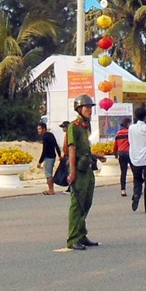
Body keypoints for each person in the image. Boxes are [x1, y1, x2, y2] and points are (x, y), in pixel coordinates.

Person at [64, 95, 102, 250]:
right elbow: (71, 150)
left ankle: (81, 234)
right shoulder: (74, 126)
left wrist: (96, 156)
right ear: (79, 109)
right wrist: (72, 172)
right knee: (77, 204)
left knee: (87, 202)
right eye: (87, 107)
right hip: (78, 170)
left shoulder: (86, 126)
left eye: (91, 107)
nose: (90, 110)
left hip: (87, 168)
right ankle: (73, 238)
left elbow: (85, 148)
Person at [37, 123, 60, 195]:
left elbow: (45, 150)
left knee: (48, 174)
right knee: (49, 173)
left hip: (48, 157)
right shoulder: (51, 135)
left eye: (40, 129)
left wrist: (40, 161)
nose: (39, 130)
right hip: (53, 156)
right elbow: (56, 145)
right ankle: (51, 189)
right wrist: (59, 155)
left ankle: (51, 189)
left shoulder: (45, 137)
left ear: (44, 129)